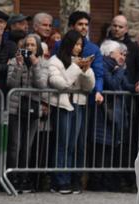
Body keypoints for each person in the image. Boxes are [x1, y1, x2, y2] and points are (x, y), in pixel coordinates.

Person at [46, 30, 95, 194]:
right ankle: (60, 181)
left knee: (74, 145)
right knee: (63, 144)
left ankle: (72, 180)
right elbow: (61, 83)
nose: (79, 48)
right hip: (62, 106)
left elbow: (89, 87)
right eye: (77, 44)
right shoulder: (55, 60)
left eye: (81, 45)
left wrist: (86, 71)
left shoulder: (79, 61)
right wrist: (76, 67)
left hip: (78, 105)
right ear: (69, 44)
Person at [6, 33, 48, 193]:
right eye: (27, 45)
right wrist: (18, 65)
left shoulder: (43, 64)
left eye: (32, 45)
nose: (29, 48)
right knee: (15, 145)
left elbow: (41, 85)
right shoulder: (14, 60)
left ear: (37, 47)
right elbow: (11, 83)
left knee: (27, 146)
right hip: (15, 108)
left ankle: (23, 179)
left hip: (33, 108)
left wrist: (35, 65)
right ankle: (11, 178)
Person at [93, 40, 134, 192]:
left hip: (113, 116)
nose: (122, 55)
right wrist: (121, 69)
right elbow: (114, 84)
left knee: (110, 150)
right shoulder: (105, 66)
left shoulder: (116, 68)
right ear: (110, 53)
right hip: (104, 116)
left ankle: (107, 182)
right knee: (102, 150)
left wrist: (134, 88)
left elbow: (124, 85)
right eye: (119, 52)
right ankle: (98, 182)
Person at [107, 15, 139, 82]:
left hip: (128, 88)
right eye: (115, 26)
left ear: (126, 29)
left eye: (120, 27)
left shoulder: (134, 48)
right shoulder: (104, 45)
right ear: (111, 26)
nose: (117, 29)